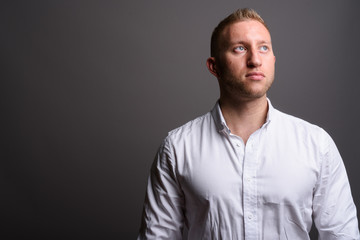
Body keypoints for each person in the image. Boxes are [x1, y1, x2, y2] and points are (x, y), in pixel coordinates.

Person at [137, 8, 360, 240]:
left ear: (273, 60)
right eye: (240, 49)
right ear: (214, 66)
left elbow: (343, 234)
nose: (255, 60)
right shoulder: (177, 148)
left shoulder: (316, 144)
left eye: (264, 47)